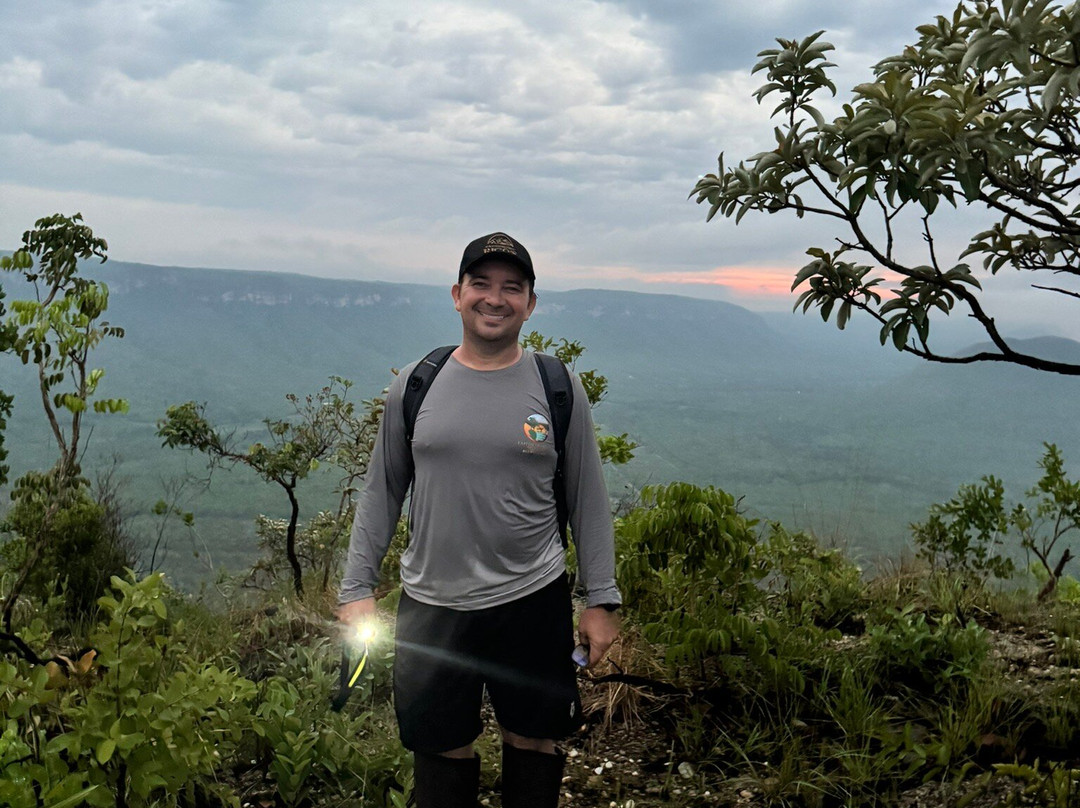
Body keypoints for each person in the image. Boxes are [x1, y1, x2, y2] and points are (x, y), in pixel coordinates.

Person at [337, 232, 621, 808]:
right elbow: (382, 491)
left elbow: (588, 496)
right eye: (481, 285)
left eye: (511, 288)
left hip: (531, 598)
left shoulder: (557, 387)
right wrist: (356, 587)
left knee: (533, 737)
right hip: (433, 601)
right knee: (439, 744)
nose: (495, 299)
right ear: (457, 294)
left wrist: (601, 601)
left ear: (530, 304)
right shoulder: (417, 384)